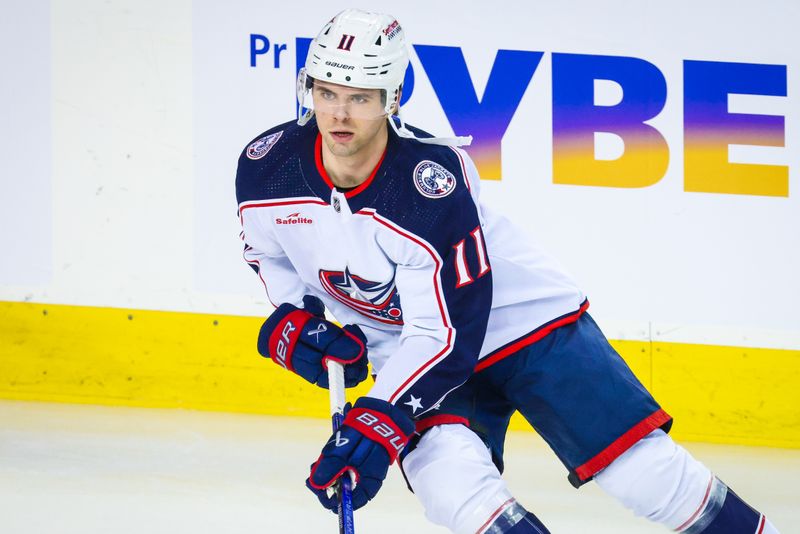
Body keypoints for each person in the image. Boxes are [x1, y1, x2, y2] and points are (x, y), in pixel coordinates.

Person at [235, 8, 779, 534]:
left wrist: (381, 416)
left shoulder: (427, 184)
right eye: (327, 92)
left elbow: (444, 332)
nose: (339, 115)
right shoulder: (266, 169)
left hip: (522, 325)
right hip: (413, 349)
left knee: (644, 475)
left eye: (360, 97)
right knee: (451, 489)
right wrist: (299, 318)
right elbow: (272, 254)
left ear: (393, 97)